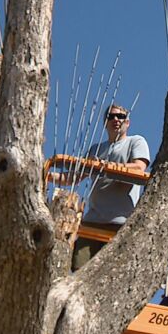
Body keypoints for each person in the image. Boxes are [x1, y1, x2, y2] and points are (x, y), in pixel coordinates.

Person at [66, 104, 150, 269]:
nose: (116, 120)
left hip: (120, 222)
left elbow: (139, 167)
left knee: (111, 271)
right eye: (111, 117)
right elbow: (73, 178)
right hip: (92, 221)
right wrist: (45, 173)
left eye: (121, 117)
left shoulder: (136, 141)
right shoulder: (96, 149)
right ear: (105, 122)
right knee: (79, 267)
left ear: (128, 122)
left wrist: (108, 166)